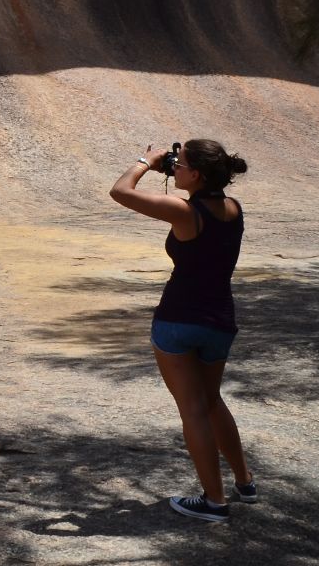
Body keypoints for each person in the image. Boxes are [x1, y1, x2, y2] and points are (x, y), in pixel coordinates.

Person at [110, 138, 255, 523]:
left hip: (178, 321)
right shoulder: (233, 208)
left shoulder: (184, 212)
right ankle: (245, 482)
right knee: (211, 401)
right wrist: (174, 169)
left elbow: (120, 191)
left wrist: (145, 161)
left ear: (198, 174)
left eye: (181, 164)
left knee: (193, 411)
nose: (174, 167)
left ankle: (214, 501)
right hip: (220, 322)